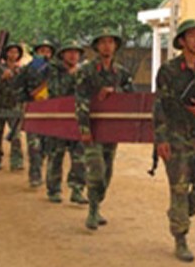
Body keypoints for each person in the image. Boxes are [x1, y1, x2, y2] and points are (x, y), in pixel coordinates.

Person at [153, 19, 195, 262]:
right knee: (179, 189)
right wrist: (161, 139)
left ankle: (177, 215)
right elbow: (159, 107)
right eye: (191, 36)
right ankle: (180, 238)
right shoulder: (168, 71)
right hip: (176, 139)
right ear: (181, 41)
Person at [75, 28, 134, 230]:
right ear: (97, 47)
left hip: (112, 130)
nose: (107, 46)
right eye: (102, 42)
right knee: (96, 169)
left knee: (107, 172)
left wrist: (114, 91)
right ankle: (92, 211)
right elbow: (80, 100)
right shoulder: (87, 71)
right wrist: (84, 128)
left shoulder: (122, 73)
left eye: (110, 42)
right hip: (93, 128)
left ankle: (96, 206)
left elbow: (130, 97)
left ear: (115, 46)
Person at [46, 39, 88, 204]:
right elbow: (56, 91)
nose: (73, 55)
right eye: (70, 52)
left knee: (79, 156)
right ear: (62, 54)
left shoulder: (83, 70)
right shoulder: (53, 70)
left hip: (78, 118)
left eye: (76, 52)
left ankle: (77, 189)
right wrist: (71, 76)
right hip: (58, 118)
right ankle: (54, 189)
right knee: (56, 154)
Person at [22, 39, 56, 188]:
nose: (45, 54)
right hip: (34, 112)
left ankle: (50, 179)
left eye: (48, 51)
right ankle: (35, 175)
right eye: (42, 51)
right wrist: (27, 98)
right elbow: (18, 87)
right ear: (36, 53)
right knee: (34, 146)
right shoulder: (28, 69)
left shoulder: (56, 70)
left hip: (52, 114)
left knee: (48, 147)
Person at [0, 43, 24, 171]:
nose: (13, 55)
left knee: (16, 135)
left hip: (14, 106)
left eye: (16, 52)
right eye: (11, 52)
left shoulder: (20, 70)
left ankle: (16, 161)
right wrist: (2, 78)